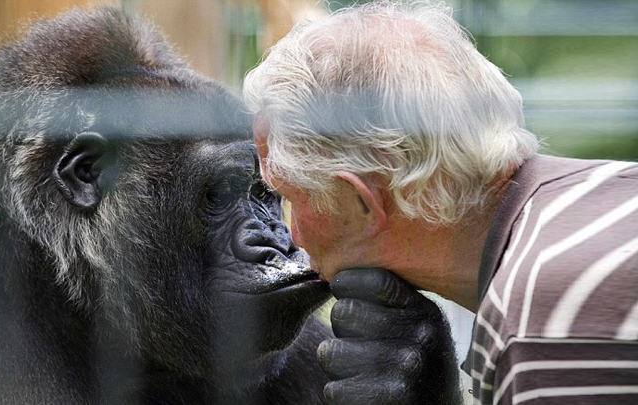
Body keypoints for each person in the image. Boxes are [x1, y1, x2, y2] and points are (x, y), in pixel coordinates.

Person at [243, 1, 638, 404]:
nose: (293, 234)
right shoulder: (611, 187)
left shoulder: (544, 326)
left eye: (289, 197)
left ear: (361, 205)